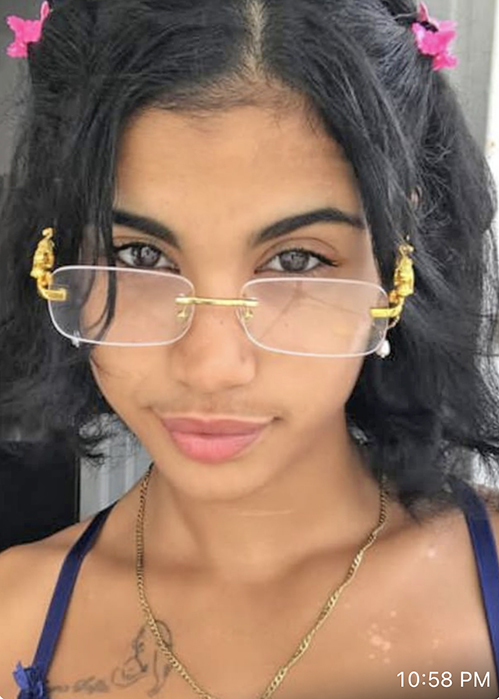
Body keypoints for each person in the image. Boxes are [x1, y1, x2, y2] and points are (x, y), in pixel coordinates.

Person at [1, 0, 499, 697]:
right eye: (139, 255)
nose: (211, 367)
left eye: (296, 261)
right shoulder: (13, 618)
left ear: (395, 265)